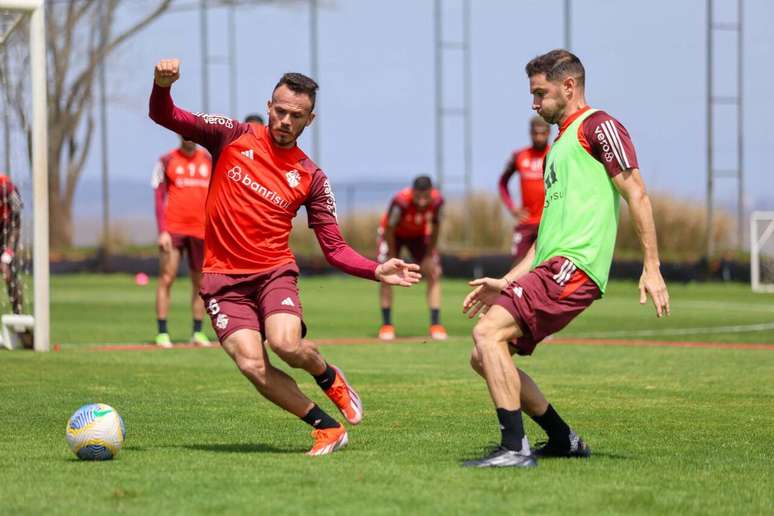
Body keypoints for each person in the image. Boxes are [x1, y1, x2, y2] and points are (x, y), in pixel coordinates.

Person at [150, 58, 421, 456]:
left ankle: (329, 376)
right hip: (222, 280)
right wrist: (161, 84)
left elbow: (335, 248)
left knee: (285, 344)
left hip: (272, 273)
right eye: (280, 111)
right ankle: (327, 429)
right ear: (268, 107)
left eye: (296, 115)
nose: (285, 121)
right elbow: (164, 114)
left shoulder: (312, 177)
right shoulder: (231, 136)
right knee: (251, 364)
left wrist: (376, 269)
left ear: (309, 120)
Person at [461, 49, 670, 468]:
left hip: (575, 266)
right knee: (483, 353)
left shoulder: (599, 126)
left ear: (569, 86)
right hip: (552, 264)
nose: (534, 104)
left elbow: (637, 194)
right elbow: (544, 239)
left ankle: (514, 449)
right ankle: (562, 439)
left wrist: (652, 266)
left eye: (540, 93)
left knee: (488, 334)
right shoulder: (559, 146)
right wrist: (508, 279)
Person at [152, 137, 213, 347]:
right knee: (166, 278)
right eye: (184, 134)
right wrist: (162, 231)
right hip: (173, 230)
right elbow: (159, 197)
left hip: (201, 231)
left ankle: (197, 332)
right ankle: (162, 332)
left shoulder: (209, 160)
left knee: (200, 283)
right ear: (178, 135)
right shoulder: (167, 160)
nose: (189, 137)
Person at [376, 176, 446, 340]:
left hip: (418, 235)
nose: (422, 201)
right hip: (393, 235)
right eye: (418, 196)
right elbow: (389, 229)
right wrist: (392, 256)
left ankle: (436, 324)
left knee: (434, 272)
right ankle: (387, 326)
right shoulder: (400, 202)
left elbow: (436, 227)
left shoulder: (438, 202)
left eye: (425, 196)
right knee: (385, 275)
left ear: (431, 192)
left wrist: (429, 255)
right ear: (413, 192)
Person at [499, 117, 550, 263]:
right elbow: (502, 183)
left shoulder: (556, 154)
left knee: (548, 266)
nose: (539, 137)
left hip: (548, 222)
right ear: (530, 133)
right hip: (526, 222)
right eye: (535, 133)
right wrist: (513, 209)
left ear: (548, 133)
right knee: (517, 267)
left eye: (543, 133)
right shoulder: (519, 156)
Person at [0, 174, 24, 315]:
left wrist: (8, 252)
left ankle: (18, 315)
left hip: (7, 231)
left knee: (6, 268)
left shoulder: (6, 186)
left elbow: (17, 220)